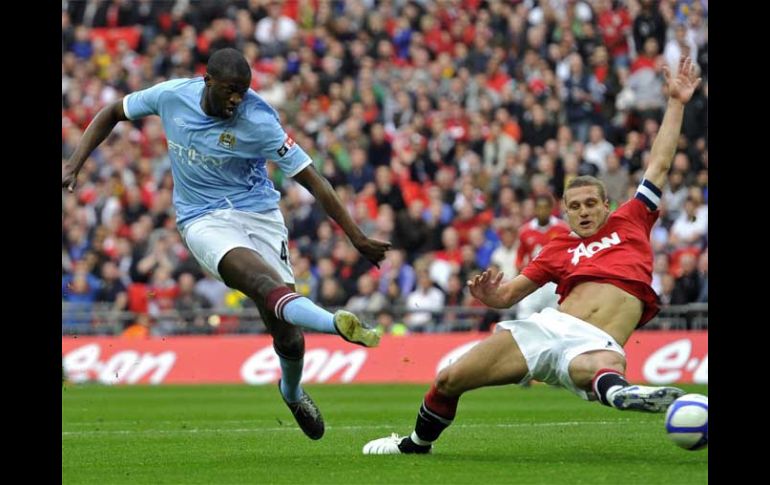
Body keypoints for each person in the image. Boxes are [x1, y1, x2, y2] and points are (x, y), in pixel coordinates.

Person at [363, 56, 701, 455]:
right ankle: (415, 444)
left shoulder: (633, 217)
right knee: (450, 378)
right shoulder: (557, 246)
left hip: (596, 341)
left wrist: (676, 102)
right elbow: (510, 296)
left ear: (607, 204)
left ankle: (625, 393)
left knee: (602, 372)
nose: (584, 211)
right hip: (547, 329)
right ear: (565, 210)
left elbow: (659, 163)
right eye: (574, 206)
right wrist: (492, 297)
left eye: (591, 203)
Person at [62, 48, 391, 441]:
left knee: (285, 331)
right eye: (231, 91)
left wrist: (356, 237)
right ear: (208, 82)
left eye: (244, 91)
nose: (237, 99)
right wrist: (74, 163)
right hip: (202, 219)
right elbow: (112, 111)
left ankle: (291, 391)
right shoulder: (171, 96)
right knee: (261, 286)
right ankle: (335, 322)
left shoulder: (260, 120)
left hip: (260, 216)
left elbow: (314, 179)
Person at [514, 194, 571, 319]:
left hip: (554, 282)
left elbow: (569, 255)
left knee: (554, 319)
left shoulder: (562, 229)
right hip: (532, 280)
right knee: (525, 316)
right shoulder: (525, 231)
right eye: (539, 208)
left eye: (545, 207)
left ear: (551, 209)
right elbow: (519, 256)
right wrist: (521, 271)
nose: (542, 211)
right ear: (534, 209)